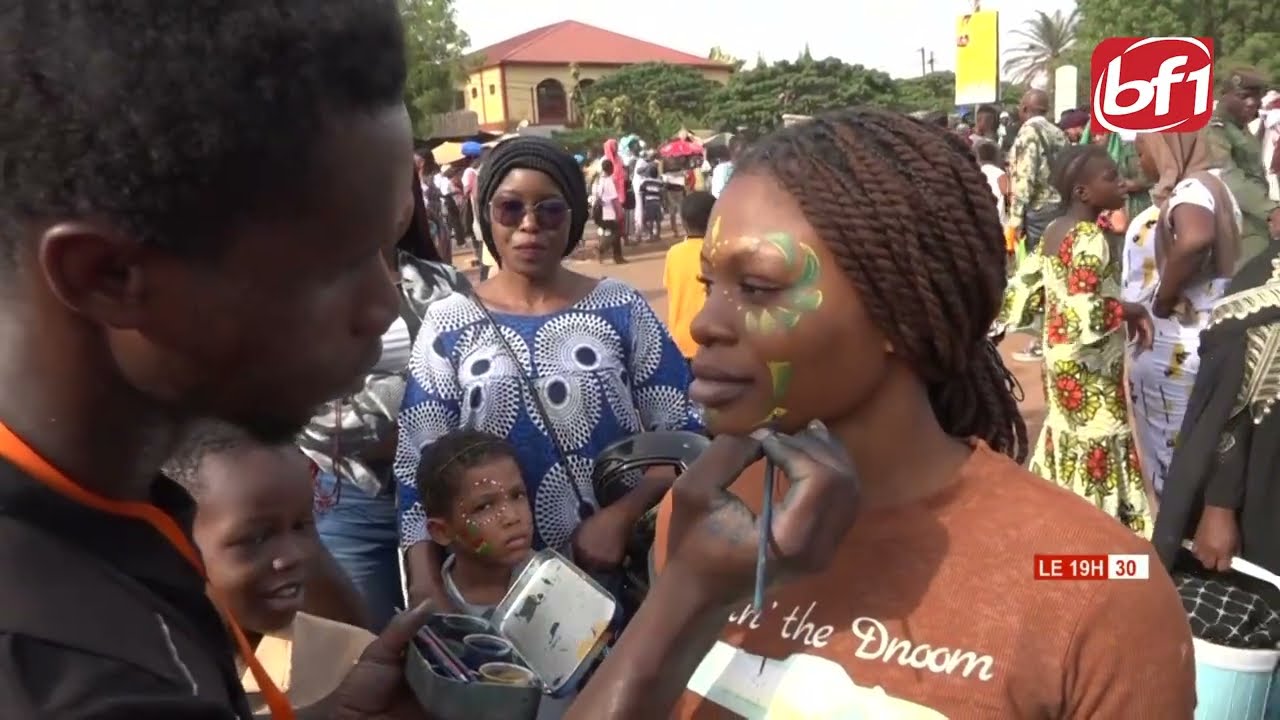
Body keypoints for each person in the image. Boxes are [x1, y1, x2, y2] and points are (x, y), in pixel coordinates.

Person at [0, 3, 873, 718]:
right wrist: (691, 596)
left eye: (389, 252)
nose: (386, 307)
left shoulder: (127, 520)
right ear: (108, 275)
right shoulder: (59, 674)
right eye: (335, 263)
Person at [649, 108, 1194, 718]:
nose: (703, 323)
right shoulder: (704, 516)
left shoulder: (1100, 583)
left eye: (756, 287)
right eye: (709, 284)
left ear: (896, 308)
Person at [394, 136, 701, 614]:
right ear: (486, 216)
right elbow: (417, 460)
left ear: (574, 216)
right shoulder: (449, 321)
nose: (529, 226)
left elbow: (684, 432)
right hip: (490, 589)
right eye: (510, 209)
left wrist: (621, 516)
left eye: (550, 211)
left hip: (607, 572)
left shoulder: (619, 307)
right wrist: (426, 584)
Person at [301, 170, 465, 632]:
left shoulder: (447, 283)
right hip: (353, 497)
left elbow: (477, 384)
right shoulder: (306, 289)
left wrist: (410, 428)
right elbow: (301, 412)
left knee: (453, 642)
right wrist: (411, 416)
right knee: (360, 647)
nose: (388, 205)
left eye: (398, 191)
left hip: (445, 497)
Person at [165, 424, 378, 713]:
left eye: (302, 525)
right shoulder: (139, 672)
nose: (295, 555)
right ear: (174, 541)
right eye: (257, 538)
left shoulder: (351, 657)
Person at [1002, 144, 1155, 535]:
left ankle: (1064, 523)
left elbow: (1030, 289)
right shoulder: (1089, 238)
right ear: (1082, 193)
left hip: (1059, 358)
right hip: (1090, 365)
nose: (1121, 182)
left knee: (1068, 432)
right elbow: (1088, 311)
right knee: (1099, 435)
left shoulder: (1055, 230)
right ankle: (1098, 533)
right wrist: (1132, 310)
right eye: (1110, 177)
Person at [1122, 131, 1241, 500]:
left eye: (1142, 151)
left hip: (1175, 346)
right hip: (1203, 338)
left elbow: (1194, 239)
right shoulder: (1213, 184)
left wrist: (1162, 301)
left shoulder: (1190, 191)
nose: (1140, 161)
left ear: (1163, 149)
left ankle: (1178, 545)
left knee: (1174, 462)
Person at [417, 428, 533, 617]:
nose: (512, 517)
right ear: (442, 531)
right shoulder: (436, 617)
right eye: (484, 507)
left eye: (517, 495)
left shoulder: (561, 583)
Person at [1007, 88, 1068, 363]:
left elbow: (1024, 178)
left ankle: (1043, 340)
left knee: (1039, 275)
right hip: (1060, 208)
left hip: (1039, 211)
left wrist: (1015, 220)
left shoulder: (1028, 134)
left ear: (1024, 109)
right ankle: (1062, 332)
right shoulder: (1059, 133)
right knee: (1060, 272)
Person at [1209, 68, 1280, 265]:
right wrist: (1271, 211)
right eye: (1243, 96)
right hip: (1233, 229)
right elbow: (1228, 176)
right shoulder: (1215, 128)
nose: (1252, 102)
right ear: (1224, 95)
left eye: (1257, 96)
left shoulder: (1239, 126)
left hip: (1252, 224)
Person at [663, 192, 716, 361]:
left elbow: (671, 287)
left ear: (683, 222)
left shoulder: (674, 253)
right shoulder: (717, 253)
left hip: (680, 341)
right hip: (709, 339)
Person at [591, 158, 625, 264]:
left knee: (611, 232)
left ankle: (617, 256)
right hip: (607, 212)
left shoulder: (597, 180)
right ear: (611, 168)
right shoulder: (608, 181)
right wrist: (619, 212)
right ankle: (601, 250)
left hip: (597, 211)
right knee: (615, 233)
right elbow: (614, 199)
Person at [976, 140, 1008, 225]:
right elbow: (1009, 198)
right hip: (999, 222)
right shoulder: (1001, 174)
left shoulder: (975, 173)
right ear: (996, 156)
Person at [638, 165, 665, 241]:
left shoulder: (645, 182)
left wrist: (643, 204)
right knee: (658, 220)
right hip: (657, 202)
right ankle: (658, 235)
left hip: (649, 202)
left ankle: (651, 235)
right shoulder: (660, 182)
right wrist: (662, 203)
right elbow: (662, 193)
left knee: (650, 220)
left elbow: (641, 192)